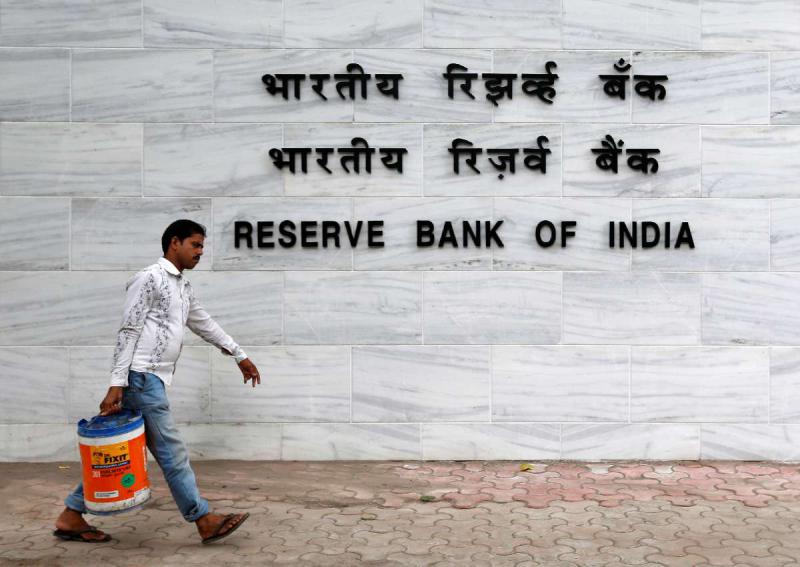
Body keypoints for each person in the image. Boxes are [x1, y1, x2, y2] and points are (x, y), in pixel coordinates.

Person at [53, 219, 261, 544]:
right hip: (141, 378)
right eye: (195, 245)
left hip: (152, 380)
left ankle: (71, 515)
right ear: (174, 242)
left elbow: (204, 323)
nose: (200, 252)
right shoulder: (149, 278)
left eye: (202, 247)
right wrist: (116, 383)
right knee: (171, 453)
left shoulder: (182, 287)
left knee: (130, 448)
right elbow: (129, 329)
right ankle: (203, 519)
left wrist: (238, 354)